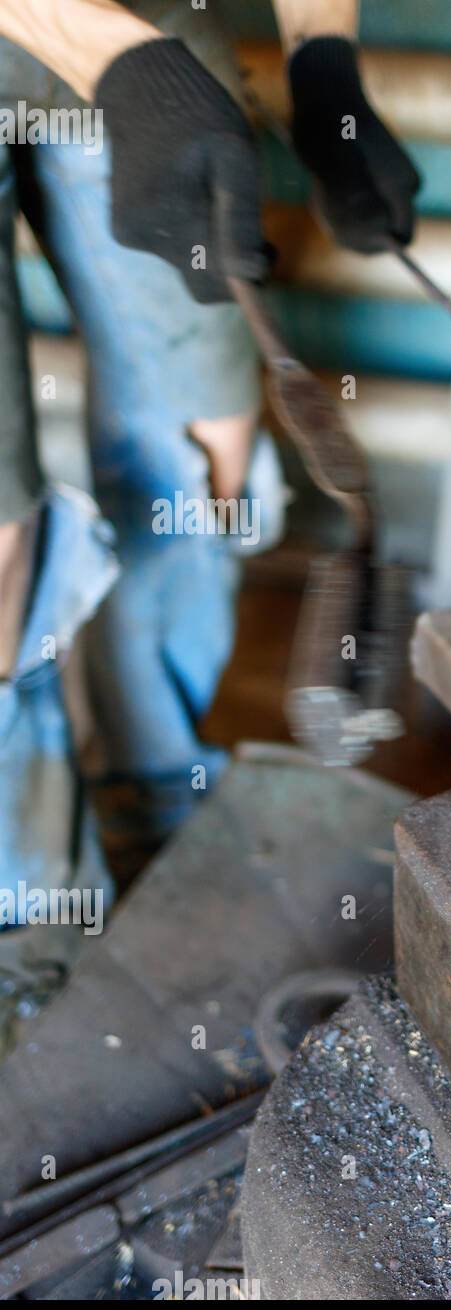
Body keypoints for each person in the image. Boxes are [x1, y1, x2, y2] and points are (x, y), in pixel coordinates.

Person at [0, 0, 418, 1018]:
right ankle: (29, 914)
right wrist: (115, 55)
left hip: (149, 34)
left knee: (201, 463)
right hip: (122, 51)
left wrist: (324, 64)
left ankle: (157, 806)